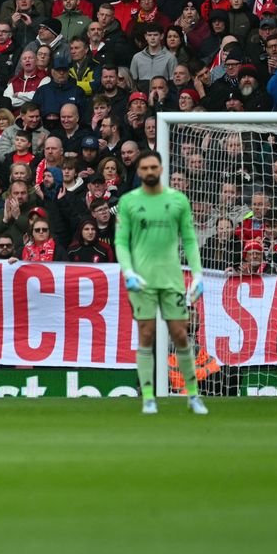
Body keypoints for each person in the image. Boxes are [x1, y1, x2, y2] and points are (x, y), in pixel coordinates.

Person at [115, 151, 207, 415]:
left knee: (180, 334)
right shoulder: (129, 201)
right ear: (140, 171)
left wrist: (198, 274)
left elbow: (189, 239)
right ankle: (147, 397)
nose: (150, 171)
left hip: (171, 278)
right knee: (146, 334)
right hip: (142, 280)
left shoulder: (177, 200)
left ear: (161, 168)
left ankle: (193, 396)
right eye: (145, 168)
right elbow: (121, 241)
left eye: (154, 166)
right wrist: (129, 272)